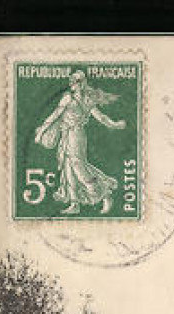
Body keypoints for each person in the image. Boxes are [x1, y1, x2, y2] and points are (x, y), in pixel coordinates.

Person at [34, 70, 126, 216]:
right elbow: (54, 116)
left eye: (74, 81)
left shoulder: (84, 100)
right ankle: (74, 203)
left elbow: (100, 117)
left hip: (76, 135)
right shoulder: (68, 98)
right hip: (67, 134)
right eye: (71, 80)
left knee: (78, 166)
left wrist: (114, 125)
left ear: (81, 83)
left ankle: (103, 194)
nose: (71, 83)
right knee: (68, 167)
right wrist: (42, 131)